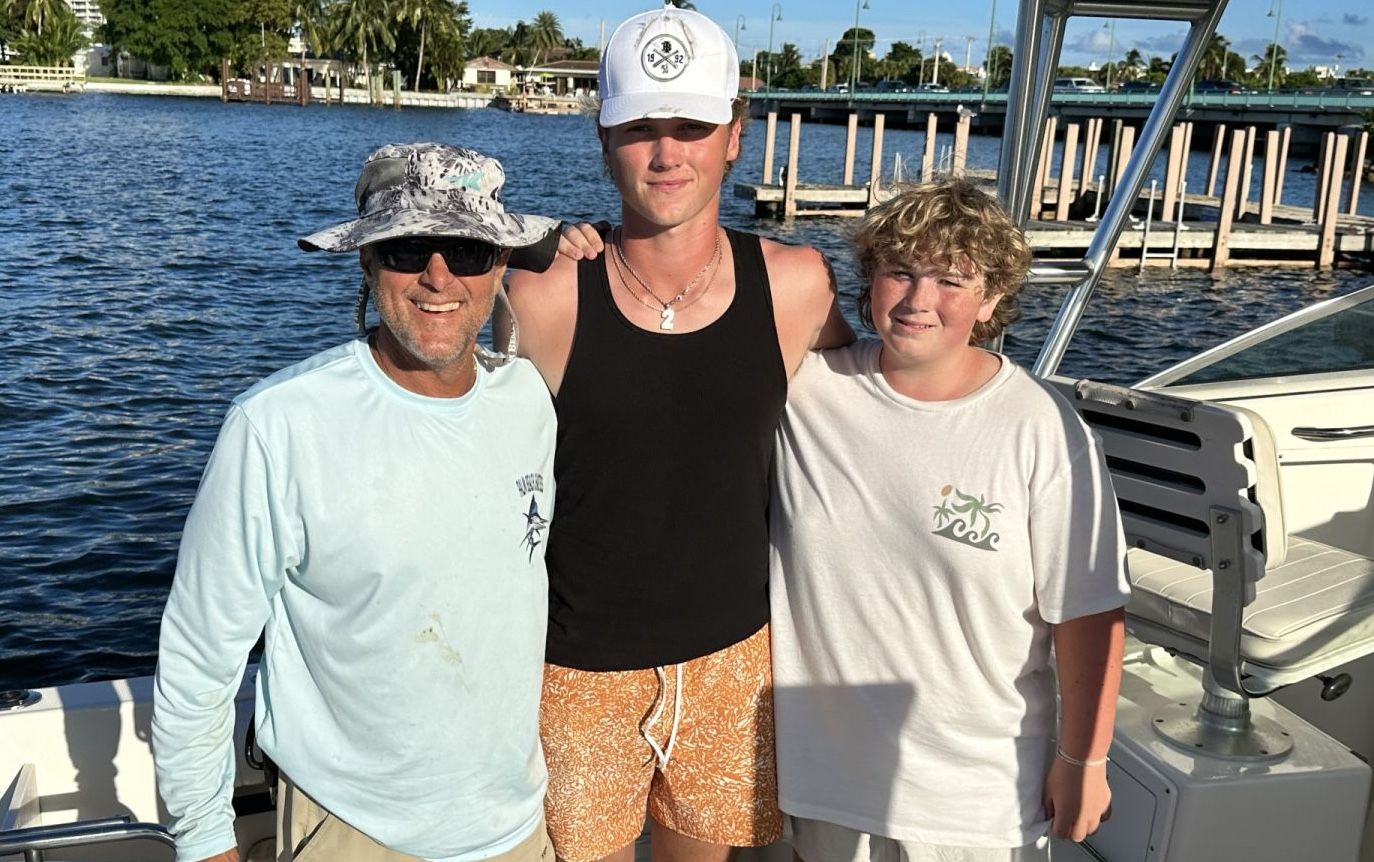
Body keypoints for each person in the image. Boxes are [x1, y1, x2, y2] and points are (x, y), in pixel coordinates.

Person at [501, 6, 851, 862]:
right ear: (603, 138)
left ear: (736, 134)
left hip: (736, 660)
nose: (667, 153)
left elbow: (892, 402)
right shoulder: (538, 294)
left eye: (691, 126)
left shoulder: (798, 284)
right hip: (574, 669)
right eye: (640, 129)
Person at [151, 143, 560, 862]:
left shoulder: (528, 401)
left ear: (499, 268)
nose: (439, 277)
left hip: (517, 828)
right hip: (350, 831)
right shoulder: (278, 426)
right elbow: (198, 657)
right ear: (368, 263)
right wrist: (205, 840)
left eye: (466, 251)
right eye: (407, 249)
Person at [769, 180, 1130, 862]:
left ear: (992, 300)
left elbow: (1087, 612)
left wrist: (1084, 761)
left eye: (950, 281)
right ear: (870, 278)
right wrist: (597, 244)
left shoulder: (1042, 429)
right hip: (824, 786)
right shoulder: (805, 389)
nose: (917, 300)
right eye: (899, 271)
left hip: (977, 799)